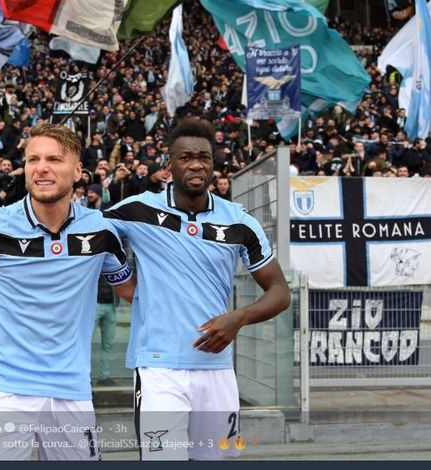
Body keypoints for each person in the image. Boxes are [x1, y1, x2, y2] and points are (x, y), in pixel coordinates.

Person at [0, 123, 135, 460]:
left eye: (54, 159)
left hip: (70, 389)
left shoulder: (101, 231)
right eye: (33, 160)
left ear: (78, 172)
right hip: (2, 389)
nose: (41, 168)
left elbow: (133, 292)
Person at [104, 119, 291, 460]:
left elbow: (280, 291)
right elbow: (89, 237)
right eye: (186, 156)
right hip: (159, 369)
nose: (195, 164)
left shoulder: (238, 221)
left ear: (213, 163)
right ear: (169, 163)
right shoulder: (137, 210)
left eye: (204, 157)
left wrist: (240, 317)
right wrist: (122, 280)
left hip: (217, 370)